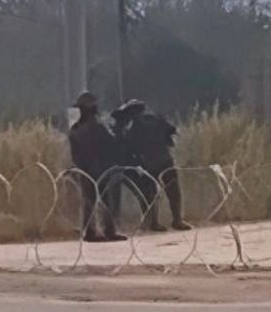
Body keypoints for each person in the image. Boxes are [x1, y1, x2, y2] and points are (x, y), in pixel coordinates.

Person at [113, 99, 191, 231]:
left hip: (148, 163)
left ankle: (153, 222)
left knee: (151, 194)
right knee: (173, 191)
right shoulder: (157, 119)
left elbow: (131, 146)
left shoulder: (134, 126)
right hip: (165, 159)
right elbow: (172, 130)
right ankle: (177, 220)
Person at [68, 92, 126, 242]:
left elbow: (75, 153)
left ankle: (96, 231)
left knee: (92, 200)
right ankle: (99, 231)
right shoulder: (97, 126)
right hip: (98, 168)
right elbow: (111, 143)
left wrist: (79, 168)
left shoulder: (75, 129)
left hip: (87, 169)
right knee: (98, 200)